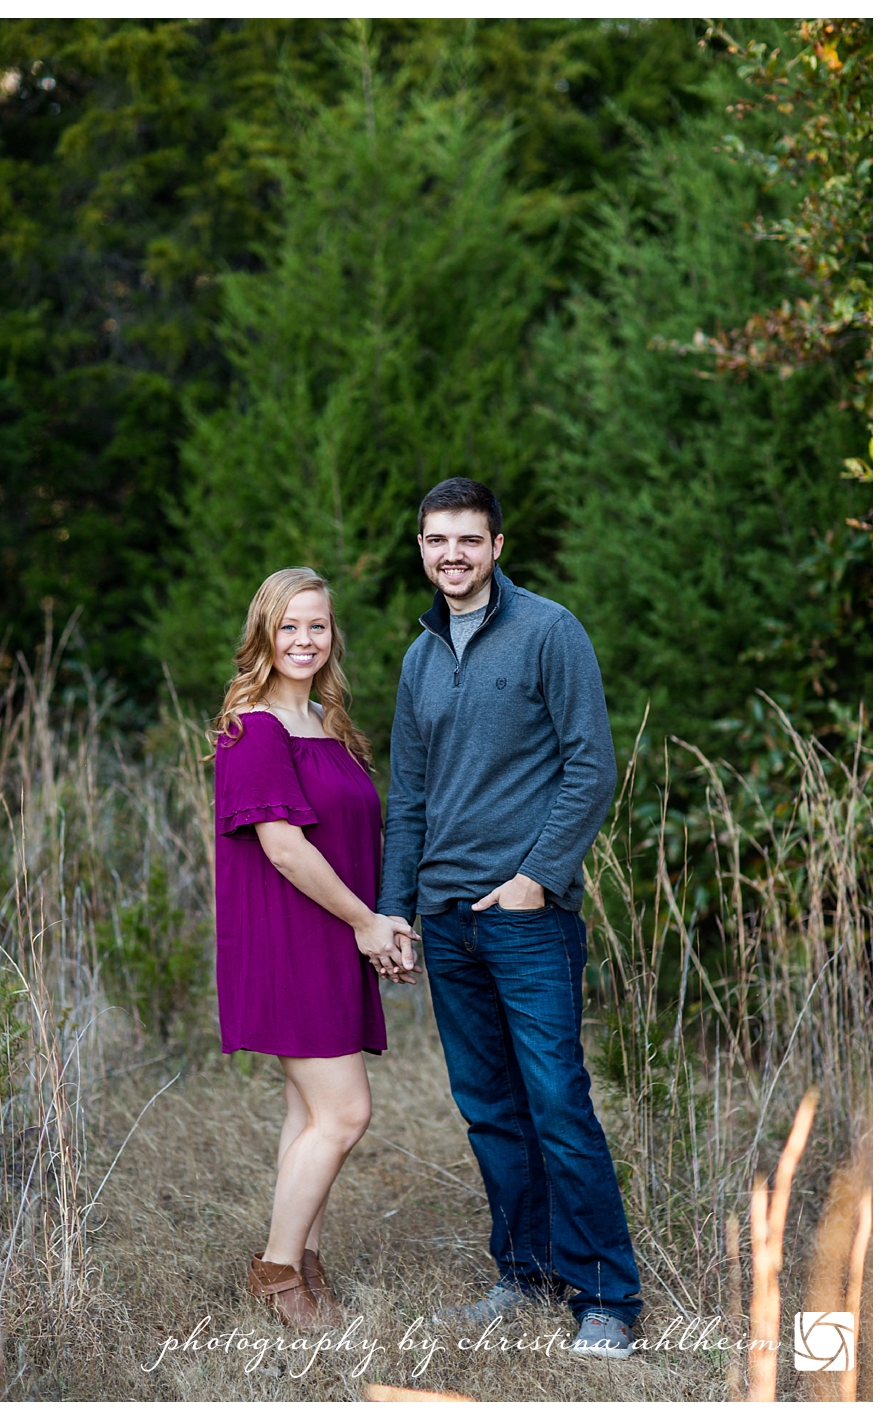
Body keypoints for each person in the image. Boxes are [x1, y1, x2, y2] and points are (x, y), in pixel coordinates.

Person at [377, 476, 640, 1360]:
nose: (451, 556)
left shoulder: (548, 632)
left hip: (527, 918)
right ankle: (524, 1276)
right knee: (490, 1109)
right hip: (447, 921)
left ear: (496, 546)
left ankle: (606, 1297)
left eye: (468, 540)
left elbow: (589, 766)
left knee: (558, 1102)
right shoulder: (418, 658)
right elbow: (408, 797)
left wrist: (537, 877)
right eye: (436, 542)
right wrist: (395, 909)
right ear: (422, 550)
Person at [212, 567, 417, 1330]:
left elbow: (358, 839)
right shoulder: (254, 728)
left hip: (331, 935)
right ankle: (276, 1272)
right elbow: (286, 850)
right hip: (288, 940)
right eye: (290, 626)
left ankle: (305, 1264)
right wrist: (366, 922)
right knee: (345, 1111)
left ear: (333, 635)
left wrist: (379, 922)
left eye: (318, 626)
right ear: (265, 633)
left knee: (308, 1112)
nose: (305, 640)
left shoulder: (328, 729)